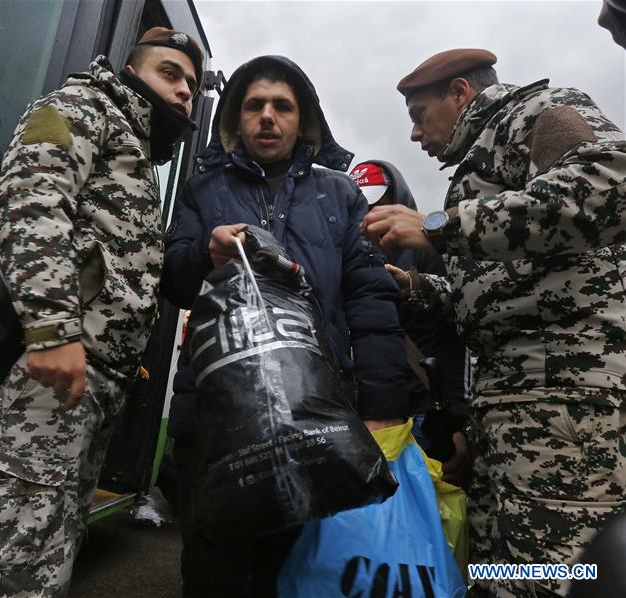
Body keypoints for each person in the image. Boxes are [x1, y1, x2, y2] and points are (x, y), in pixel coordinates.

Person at [360, 48, 626, 597]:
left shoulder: (539, 114)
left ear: (461, 94)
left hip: (568, 409)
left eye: (418, 115)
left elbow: (608, 188)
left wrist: (437, 225)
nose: (414, 134)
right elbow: (490, 293)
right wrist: (413, 286)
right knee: (498, 571)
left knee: (563, 573)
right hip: (508, 413)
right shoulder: (474, 169)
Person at [0, 27, 203, 597]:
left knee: (46, 558)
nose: (185, 91)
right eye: (170, 73)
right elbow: (34, 198)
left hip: (88, 385)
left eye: (191, 83)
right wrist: (51, 331)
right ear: (131, 72)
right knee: (15, 566)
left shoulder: (137, 154)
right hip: (45, 375)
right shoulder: (83, 106)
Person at [163, 55, 409, 597]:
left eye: (282, 106)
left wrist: (383, 409)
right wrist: (206, 254)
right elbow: (172, 282)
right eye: (254, 106)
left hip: (316, 419)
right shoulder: (203, 191)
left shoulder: (339, 195)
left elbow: (369, 300)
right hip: (215, 423)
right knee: (213, 576)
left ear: (304, 120)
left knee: (299, 575)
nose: (267, 117)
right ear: (236, 119)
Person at [351, 160, 470, 483]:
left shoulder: (427, 252)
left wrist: (456, 422)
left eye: (379, 203)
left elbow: (451, 337)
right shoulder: (345, 258)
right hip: (366, 418)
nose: (370, 214)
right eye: (362, 205)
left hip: (424, 417)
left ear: (398, 201)